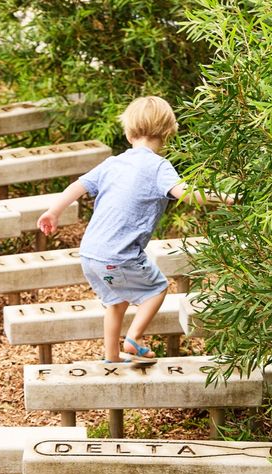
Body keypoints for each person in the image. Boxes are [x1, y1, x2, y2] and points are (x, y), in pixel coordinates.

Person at [37, 95, 233, 364]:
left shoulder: (113, 163)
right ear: (167, 134)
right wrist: (225, 197)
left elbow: (77, 186)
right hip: (120, 255)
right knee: (158, 289)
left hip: (91, 254)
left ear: (129, 133)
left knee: (115, 302)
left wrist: (53, 211)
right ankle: (134, 338)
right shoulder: (158, 167)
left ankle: (111, 356)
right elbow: (186, 194)